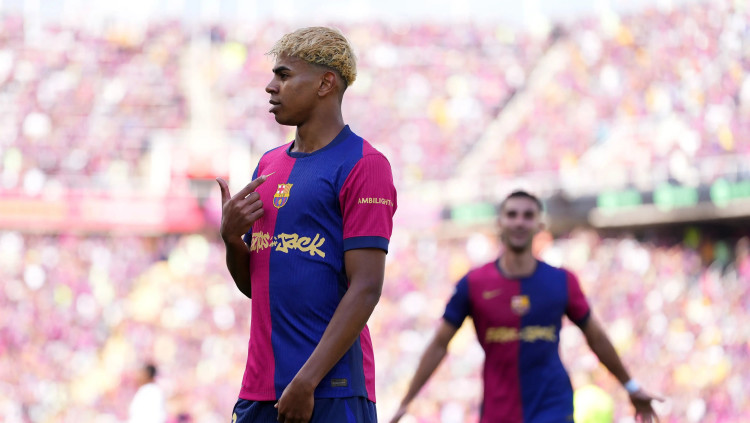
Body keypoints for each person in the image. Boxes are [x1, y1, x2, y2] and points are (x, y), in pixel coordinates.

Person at [216, 27, 397, 423]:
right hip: (260, 388)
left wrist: (307, 381)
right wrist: (231, 238)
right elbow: (255, 287)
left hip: (329, 390)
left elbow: (367, 287)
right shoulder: (268, 164)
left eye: (283, 75)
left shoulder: (364, 165)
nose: (270, 86)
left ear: (325, 83)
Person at [389, 191, 660, 423]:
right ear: (500, 222)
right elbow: (439, 343)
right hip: (498, 411)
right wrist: (406, 401)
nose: (519, 222)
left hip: (552, 408)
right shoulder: (473, 284)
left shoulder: (561, 281)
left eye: (528, 215)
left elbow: (595, 336)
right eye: (512, 214)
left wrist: (630, 386)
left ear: (539, 224)